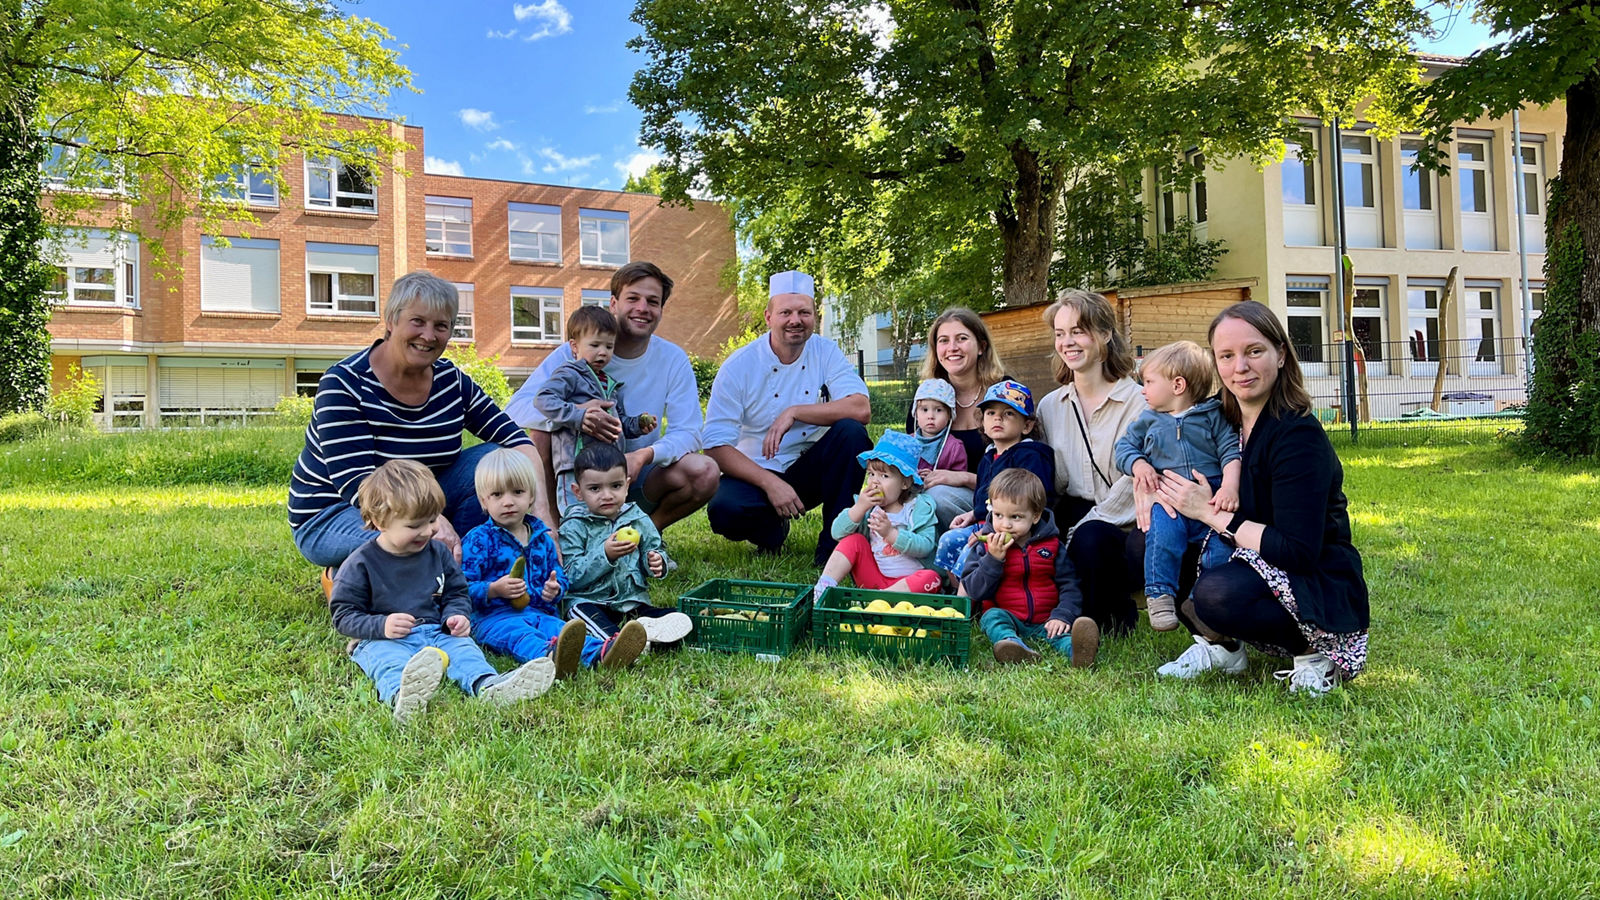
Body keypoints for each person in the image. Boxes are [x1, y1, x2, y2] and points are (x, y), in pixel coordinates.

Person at [1152, 301, 1369, 696]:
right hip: (1241, 554)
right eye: (1227, 356)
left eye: (1254, 351)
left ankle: (1316, 652)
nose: (1240, 367)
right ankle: (1224, 648)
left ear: (1281, 354)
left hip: (1309, 570)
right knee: (1147, 545)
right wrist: (1142, 479)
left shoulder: (1297, 436)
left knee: (1216, 594)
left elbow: (1298, 550)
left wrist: (1210, 514)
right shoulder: (1215, 418)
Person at [290, 271, 550, 581]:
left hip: (425, 501)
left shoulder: (451, 382)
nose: (429, 335)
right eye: (418, 322)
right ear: (391, 320)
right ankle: (347, 573)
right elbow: (358, 484)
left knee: (493, 458)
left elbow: (516, 441)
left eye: (441, 325)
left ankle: (461, 565)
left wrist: (545, 521)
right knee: (411, 540)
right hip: (338, 512)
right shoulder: (345, 384)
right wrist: (429, 522)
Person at [328, 460, 556, 722]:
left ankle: (489, 686)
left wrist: (456, 615)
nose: (428, 531)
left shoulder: (437, 552)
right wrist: (382, 625)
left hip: (438, 630)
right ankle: (403, 698)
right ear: (380, 522)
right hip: (383, 638)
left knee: (465, 651)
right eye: (415, 525)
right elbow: (343, 615)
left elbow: (456, 592)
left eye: (433, 520)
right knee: (388, 661)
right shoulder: (360, 564)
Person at [505, 262, 718, 532]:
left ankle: (644, 536)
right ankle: (557, 532)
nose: (642, 308)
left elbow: (689, 431)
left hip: (635, 475)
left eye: (653, 301)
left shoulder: (672, 358)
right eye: (633, 298)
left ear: (661, 310)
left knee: (706, 471)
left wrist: (643, 455)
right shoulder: (574, 353)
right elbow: (516, 409)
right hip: (575, 474)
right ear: (614, 304)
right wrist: (578, 415)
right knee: (540, 433)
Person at [703, 270, 872, 565]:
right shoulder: (738, 366)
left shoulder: (825, 351)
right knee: (725, 510)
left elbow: (860, 408)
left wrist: (794, 412)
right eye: (786, 312)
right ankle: (770, 530)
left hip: (809, 468)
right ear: (768, 317)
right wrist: (770, 483)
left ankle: (834, 546)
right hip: (756, 471)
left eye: (804, 312)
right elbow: (716, 445)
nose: (796, 320)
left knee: (851, 432)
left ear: (814, 317)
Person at [459, 449, 646, 677]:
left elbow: (558, 574)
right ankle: (549, 656)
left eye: (517, 492)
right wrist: (493, 589)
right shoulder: (478, 540)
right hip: (495, 618)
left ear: (531, 496)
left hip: (540, 611)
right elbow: (461, 588)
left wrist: (554, 590)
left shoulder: (542, 538)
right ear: (483, 501)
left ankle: (602, 654)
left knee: (561, 630)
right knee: (520, 635)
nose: (508, 502)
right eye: (497, 495)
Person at [1034, 289, 1148, 634]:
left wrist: (1081, 528)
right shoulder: (1050, 406)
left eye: (1078, 331)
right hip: (1071, 513)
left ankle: (1102, 622)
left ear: (1104, 335)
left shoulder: (1139, 403)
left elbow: (1135, 484)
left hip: (1122, 525)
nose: (1067, 342)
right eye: (1060, 333)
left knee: (1092, 536)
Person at [1113, 340, 1241, 631]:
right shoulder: (1148, 420)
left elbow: (1231, 452)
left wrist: (1230, 487)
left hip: (1211, 498)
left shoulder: (1213, 416)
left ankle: (1199, 605)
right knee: (1162, 540)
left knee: (1220, 550)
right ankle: (1159, 597)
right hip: (1168, 499)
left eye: (1147, 382)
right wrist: (1139, 465)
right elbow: (1124, 448)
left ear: (1178, 385)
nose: (1142, 390)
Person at [558, 443, 695, 648]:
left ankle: (642, 637)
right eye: (595, 488)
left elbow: (654, 549)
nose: (607, 495)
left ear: (627, 484)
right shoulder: (574, 525)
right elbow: (570, 577)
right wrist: (605, 554)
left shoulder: (637, 518)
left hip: (630, 601)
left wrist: (657, 562)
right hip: (588, 600)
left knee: (676, 617)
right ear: (578, 492)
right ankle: (620, 644)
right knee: (583, 617)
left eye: (615, 486)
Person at [960, 469, 1099, 667]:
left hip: (1046, 619)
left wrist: (1062, 615)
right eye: (998, 515)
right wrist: (993, 559)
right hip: (1008, 616)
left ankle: (1078, 653)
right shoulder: (985, 547)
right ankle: (1012, 646)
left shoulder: (1051, 546)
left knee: (1061, 634)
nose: (1004, 525)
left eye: (1015, 517)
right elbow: (975, 590)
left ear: (1035, 516)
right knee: (992, 618)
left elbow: (1069, 585)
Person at [531, 306, 656, 514]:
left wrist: (637, 425)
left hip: (607, 465)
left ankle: (602, 546)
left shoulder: (610, 384)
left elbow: (619, 422)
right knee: (576, 514)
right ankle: (570, 546)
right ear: (574, 345)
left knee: (604, 513)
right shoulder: (570, 373)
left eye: (609, 346)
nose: (603, 352)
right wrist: (579, 415)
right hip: (574, 463)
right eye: (595, 344)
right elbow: (543, 400)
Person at [933, 380, 1055, 573]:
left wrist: (992, 530)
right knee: (948, 540)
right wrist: (972, 514)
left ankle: (972, 599)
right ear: (982, 421)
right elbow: (985, 498)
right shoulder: (989, 456)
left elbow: (1039, 503)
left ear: (1027, 425)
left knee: (970, 553)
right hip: (985, 524)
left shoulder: (1030, 456)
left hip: (1014, 531)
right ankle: (956, 597)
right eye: (991, 413)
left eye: (1008, 413)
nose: (998, 418)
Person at [904, 309, 1009, 528]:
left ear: (981, 346)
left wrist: (962, 477)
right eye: (944, 341)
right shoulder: (927, 397)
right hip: (934, 498)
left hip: (999, 500)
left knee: (937, 496)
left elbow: (1023, 469)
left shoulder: (1004, 393)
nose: (952, 347)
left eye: (962, 338)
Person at [813, 430, 943, 601]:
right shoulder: (868, 508)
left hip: (908, 587)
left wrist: (891, 534)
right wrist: (859, 508)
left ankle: (883, 600)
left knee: (932, 578)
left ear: (905, 482)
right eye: (871, 474)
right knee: (853, 541)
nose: (875, 481)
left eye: (884, 476)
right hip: (875, 581)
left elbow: (925, 546)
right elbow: (837, 533)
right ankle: (823, 589)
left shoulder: (917, 508)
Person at [908, 378, 969, 519]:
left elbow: (958, 482)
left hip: (937, 502)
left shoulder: (954, 447)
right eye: (924, 410)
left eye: (939, 410)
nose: (930, 416)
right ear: (915, 413)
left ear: (949, 416)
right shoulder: (907, 443)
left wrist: (940, 478)